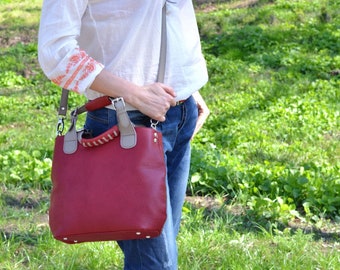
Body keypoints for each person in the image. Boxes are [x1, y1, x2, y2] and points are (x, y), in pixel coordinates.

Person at [38, 1, 209, 269]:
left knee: (162, 253)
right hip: (125, 122)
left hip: (178, 111)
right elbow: (56, 52)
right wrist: (135, 93)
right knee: (156, 263)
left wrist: (185, 85)